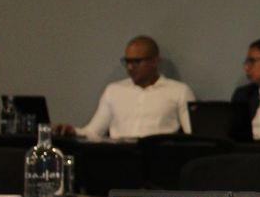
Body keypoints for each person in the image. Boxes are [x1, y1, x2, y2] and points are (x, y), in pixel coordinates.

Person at [56, 35, 195, 139]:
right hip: (120, 156)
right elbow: (93, 132)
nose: (130, 67)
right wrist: (72, 132)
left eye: (136, 62)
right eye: (127, 61)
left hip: (159, 157)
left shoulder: (179, 91)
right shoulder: (113, 90)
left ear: (154, 61)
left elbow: (194, 135)